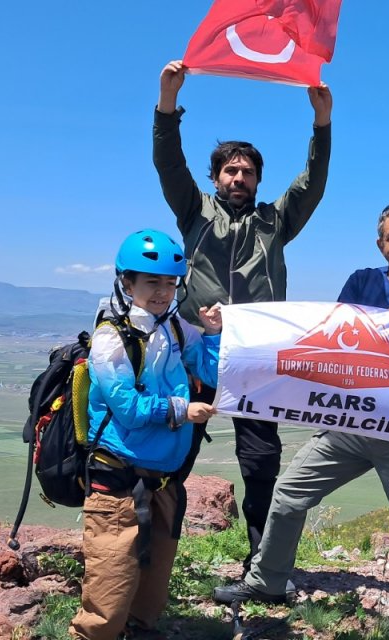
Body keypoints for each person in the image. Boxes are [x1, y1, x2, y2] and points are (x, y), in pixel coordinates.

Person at [212, 202, 389, 640]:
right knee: (290, 495)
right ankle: (267, 580)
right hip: (350, 426)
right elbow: (333, 335)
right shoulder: (361, 282)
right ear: (381, 243)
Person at [151, 59, 333, 575]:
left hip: (255, 355)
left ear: (257, 180)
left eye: (247, 171)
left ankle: (262, 562)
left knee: (259, 461)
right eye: (230, 170)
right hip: (193, 350)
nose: (238, 177)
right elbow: (168, 164)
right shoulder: (194, 212)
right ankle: (152, 555)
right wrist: (168, 105)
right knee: (173, 446)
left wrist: (322, 123)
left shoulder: (276, 221)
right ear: (215, 177)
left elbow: (311, 184)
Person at [69, 229, 223, 640]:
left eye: (171, 283)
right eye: (152, 281)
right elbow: (130, 411)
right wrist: (181, 409)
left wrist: (211, 334)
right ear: (126, 282)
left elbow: (210, 371)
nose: (163, 292)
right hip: (118, 476)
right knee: (111, 580)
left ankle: (139, 631)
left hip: (164, 477)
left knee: (153, 581)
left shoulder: (173, 327)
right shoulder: (109, 340)